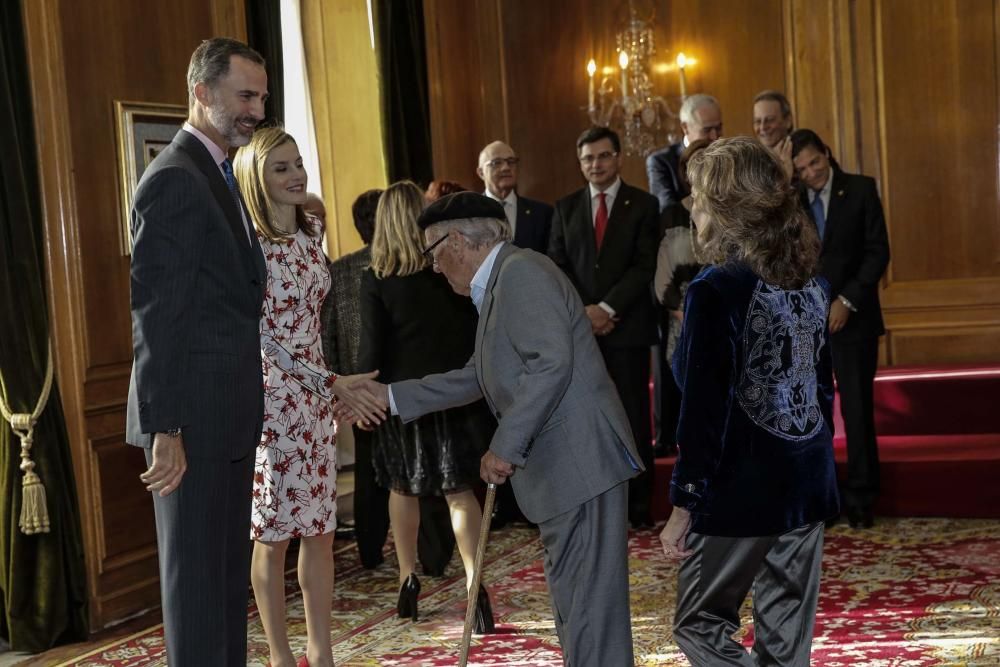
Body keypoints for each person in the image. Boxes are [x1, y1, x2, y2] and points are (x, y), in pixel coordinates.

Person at [342, 192, 645, 666]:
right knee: (577, 604)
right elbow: (475, 376)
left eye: (433, 253)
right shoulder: (502, 281)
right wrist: (390, 397)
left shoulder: (521, 273)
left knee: (589, 608)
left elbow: (550, 365)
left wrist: (504, 446)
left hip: (579, 462)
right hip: (568, 465)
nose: (435, 268)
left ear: (458, 240)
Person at [659, 137, 839, 666]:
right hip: (806, 483)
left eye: (697, 195)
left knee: (697, 623)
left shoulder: (715, 289)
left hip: (739, 490)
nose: (692, 207)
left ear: (726, 205)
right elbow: (822, 391)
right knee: (786, 645)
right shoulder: (810, 280)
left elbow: (702, 414)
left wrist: (683, 505)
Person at [124, 37, 269, 665]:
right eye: (245, 96)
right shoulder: (175, 180)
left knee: (223, 588)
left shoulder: (216, 171)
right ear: (202, 94)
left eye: (261, 96)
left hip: (225, 417)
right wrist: (168, 427)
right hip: (191, 423)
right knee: (196, 592)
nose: (256, 110)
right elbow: (159, 317)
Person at [233, 126, 384, 667]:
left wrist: (334, 378)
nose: (296, 174)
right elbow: (263, 337)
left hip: (316, 399)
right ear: (256, 177)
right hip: (274, 402)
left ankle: (321, 652)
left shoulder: (312, 228)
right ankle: (279, 655)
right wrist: (328, 381)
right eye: (281, 167)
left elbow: (314, 320)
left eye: (298, 163)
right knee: (272, 536)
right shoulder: (248, 245)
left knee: (319, 531)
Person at [357, 181, 497, 632]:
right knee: (459, 492)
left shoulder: (375, 280)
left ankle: (407, 578)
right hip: (453, 395)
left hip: (402, 402)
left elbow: (370, 354)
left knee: (403, 489)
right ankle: (476, 585)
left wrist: (363, 400)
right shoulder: (445, 270)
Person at [548, 126, 659, 529]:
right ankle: (596, 506)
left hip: (627, 329)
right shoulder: (565, 208)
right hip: (581, 335)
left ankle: (639, 508)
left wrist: (608, 308)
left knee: (632, 418)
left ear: (618, 157)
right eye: (588, 158)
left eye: (603, 156)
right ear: (580, 164)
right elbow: (556, 266)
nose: (596, 164)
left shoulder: (644, 205)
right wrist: (586, 312)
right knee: (586, 419)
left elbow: (644, 265)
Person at [791, 129, 890, 529]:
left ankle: (863, 496)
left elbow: (877, 250)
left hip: (854, 318)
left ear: (827, 155)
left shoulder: (861, 189)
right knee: (812, 414)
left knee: (857, 409)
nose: (812, 173)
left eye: (815, 162)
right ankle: (823, 497)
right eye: (802, 169)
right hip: (806, 323)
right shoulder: (792, 202)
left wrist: (846, 301)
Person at [652, 138, 711, 457]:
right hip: (680, 318)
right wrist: (682, 312)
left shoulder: (732, 212)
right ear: (685, 172)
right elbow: (661, 274)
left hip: (722, 316)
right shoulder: (671, 214)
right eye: (693, 164)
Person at [646, 93, 724, 215]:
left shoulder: (728, 155)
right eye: (707, 130)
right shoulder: (661, 161)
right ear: (685, 128)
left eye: (718, 128)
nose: (715, 137)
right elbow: (668, 211)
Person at [476, 140, 553, 253]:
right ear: (481, 172)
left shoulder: (542, 214)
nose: (506, 167)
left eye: (511, 161)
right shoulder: (469, 216)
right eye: (497, 162)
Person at [752, 89, 795, 178]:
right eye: (758, 121)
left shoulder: (804, 157)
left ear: (788, 121)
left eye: (770, 120)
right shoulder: (751, 163)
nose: (763, 127)